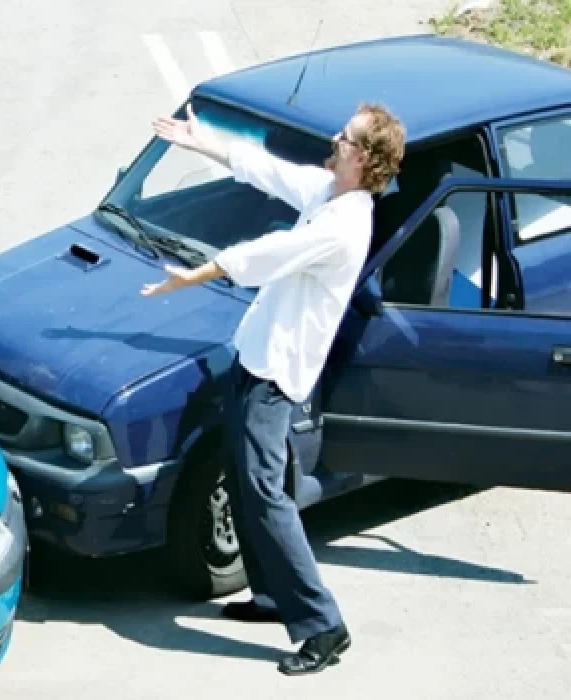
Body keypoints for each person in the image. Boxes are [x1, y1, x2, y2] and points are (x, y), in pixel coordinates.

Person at [141, 102, 406, 675]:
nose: (334, 137)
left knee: (264, 495)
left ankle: (323, 626)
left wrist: (198, 274)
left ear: (363, 157)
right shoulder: (328, 193)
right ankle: (270, 596)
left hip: (274, 375)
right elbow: (265, 167)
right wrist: (198, 141)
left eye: (346, 135)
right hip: (256, 356)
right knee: (247, 480)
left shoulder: (343, 224)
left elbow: (267, 256)